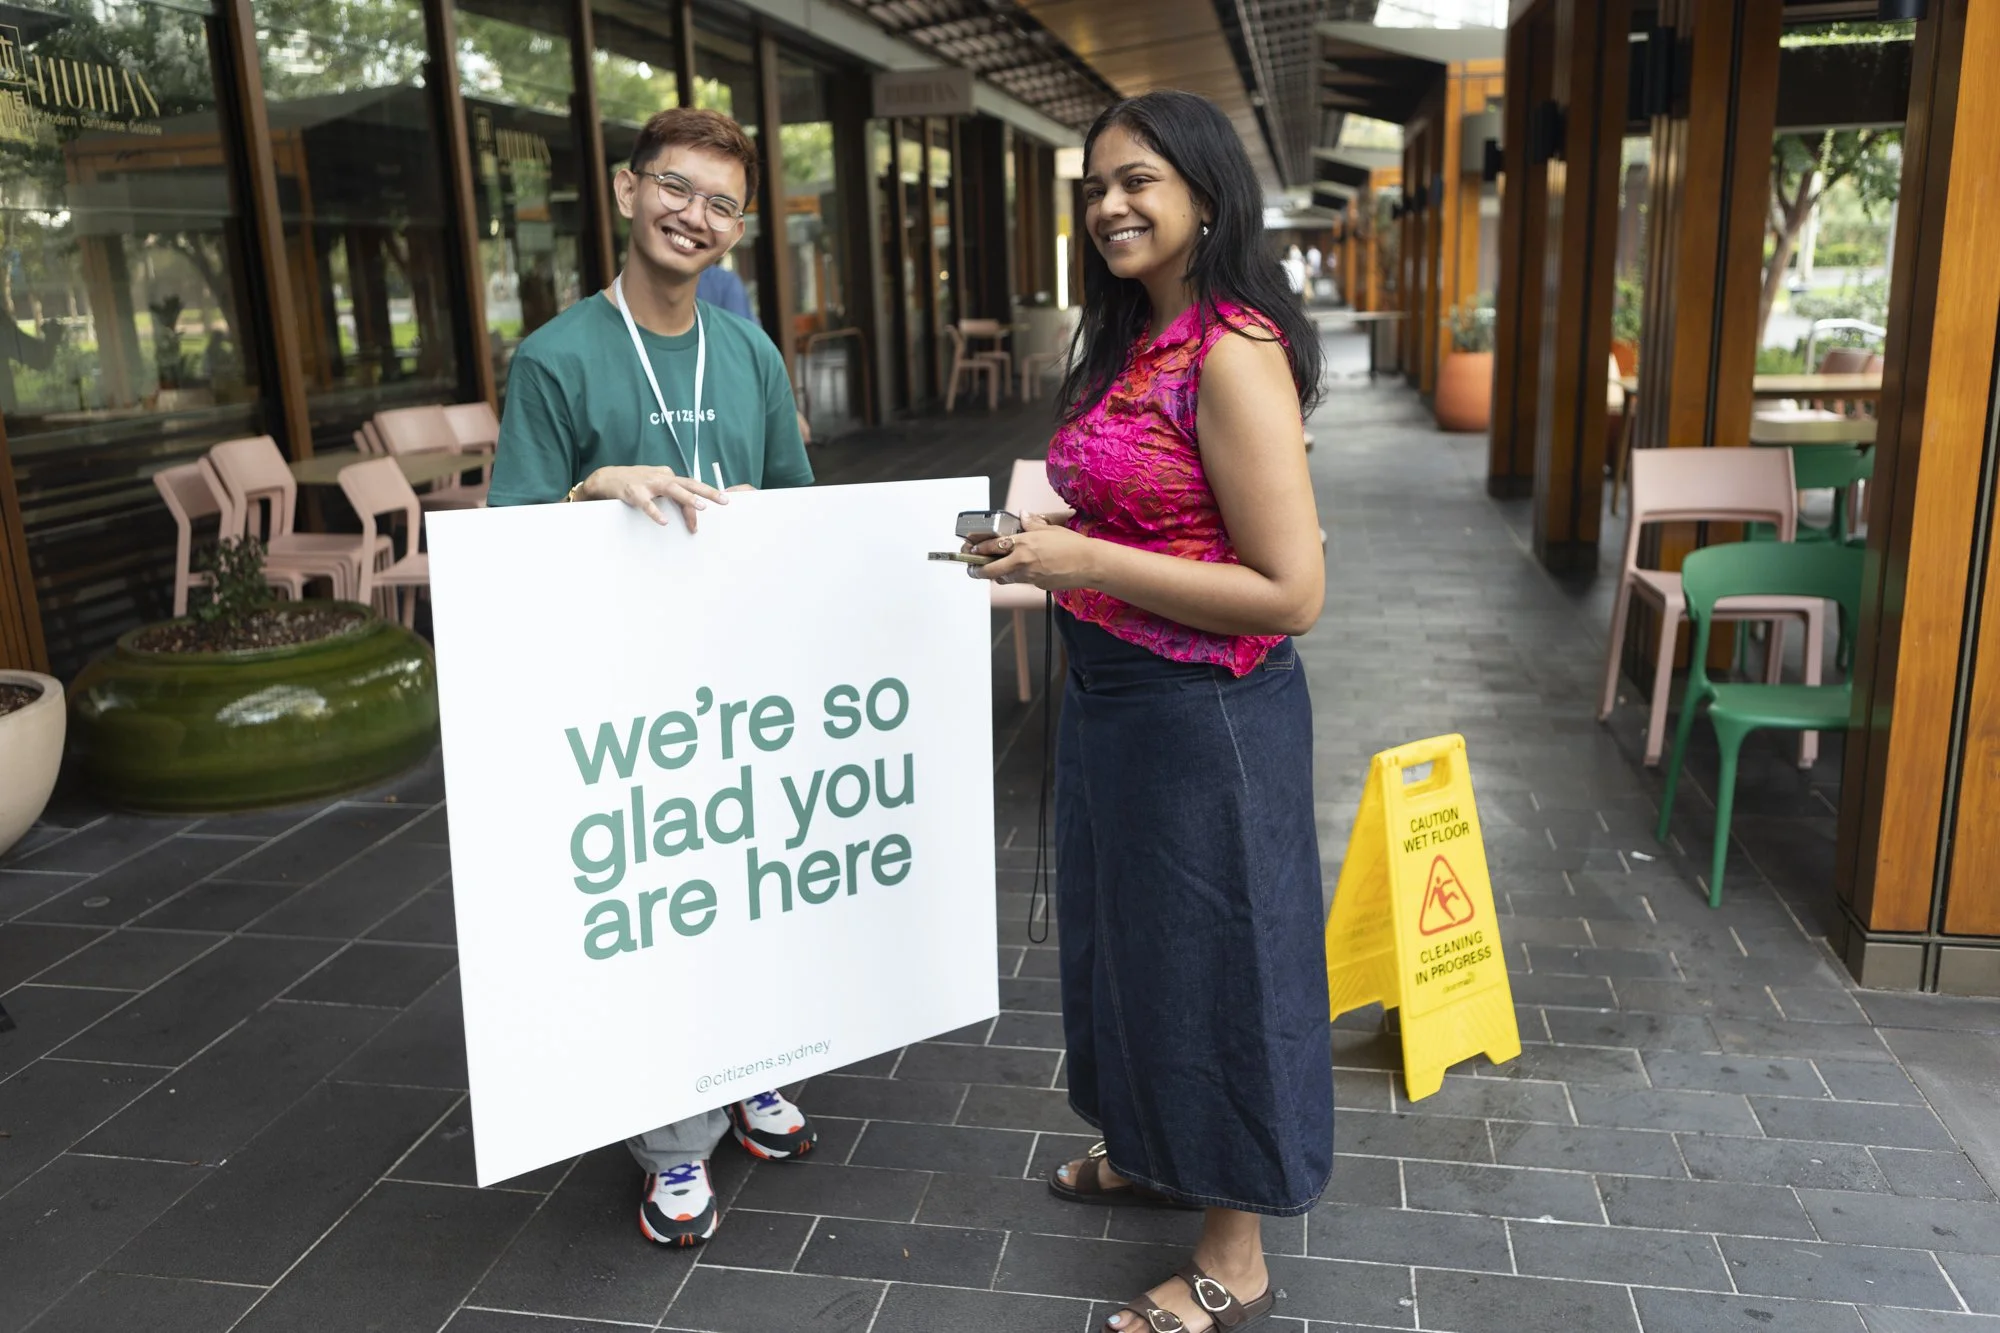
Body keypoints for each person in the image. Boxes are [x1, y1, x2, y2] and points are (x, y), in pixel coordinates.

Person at [970, 90, 1331, 1333]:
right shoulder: (1133, 333)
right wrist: (1049, 541)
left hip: (1206, 715)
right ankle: (1146, 1143)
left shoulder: (1231, 351)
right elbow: (1144, 514)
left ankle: (1235, 1245)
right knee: (1129, 954)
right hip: (1118, 699)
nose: (1108, 205)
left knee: (1221, 963)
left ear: (1207, 196)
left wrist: (1090, 566)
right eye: (1094, 184)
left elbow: (1290, 591)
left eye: (1138, 181)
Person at [487, 107, 819, 1248]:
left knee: (747, 891)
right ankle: (672, 1139)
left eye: (720, 203)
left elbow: (795, 513)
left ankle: (749, 1066)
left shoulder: (751, 354)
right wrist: (593, 488)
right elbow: (506, 552)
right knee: (653, 914)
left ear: (738, 227)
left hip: (742, 690)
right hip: (621, 703)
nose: (695, 216)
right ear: (629, 192)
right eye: (675, 189)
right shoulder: (554, 357)